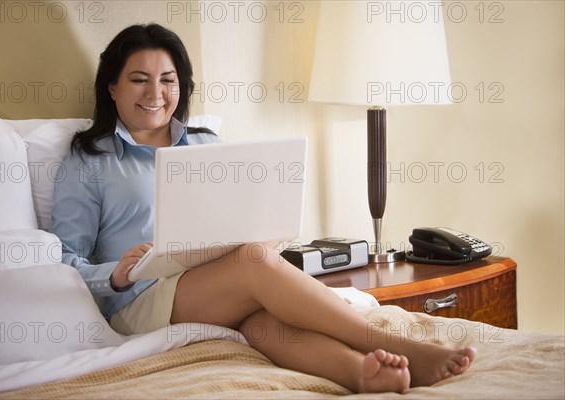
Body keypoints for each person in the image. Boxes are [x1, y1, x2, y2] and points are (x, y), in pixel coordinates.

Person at [50, 23, 475, 394]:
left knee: (261, 322)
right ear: (112, 87)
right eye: (139, 80)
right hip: (140, 300)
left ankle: (361, 374)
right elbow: (64, 260)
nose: (156, 94)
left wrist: (270, 229)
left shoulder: (204, 144)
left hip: (216, 281)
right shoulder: (89, 159)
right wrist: (117, 273)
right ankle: (397, 345)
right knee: (252, 260)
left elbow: (237, 220)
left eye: (168, 80)